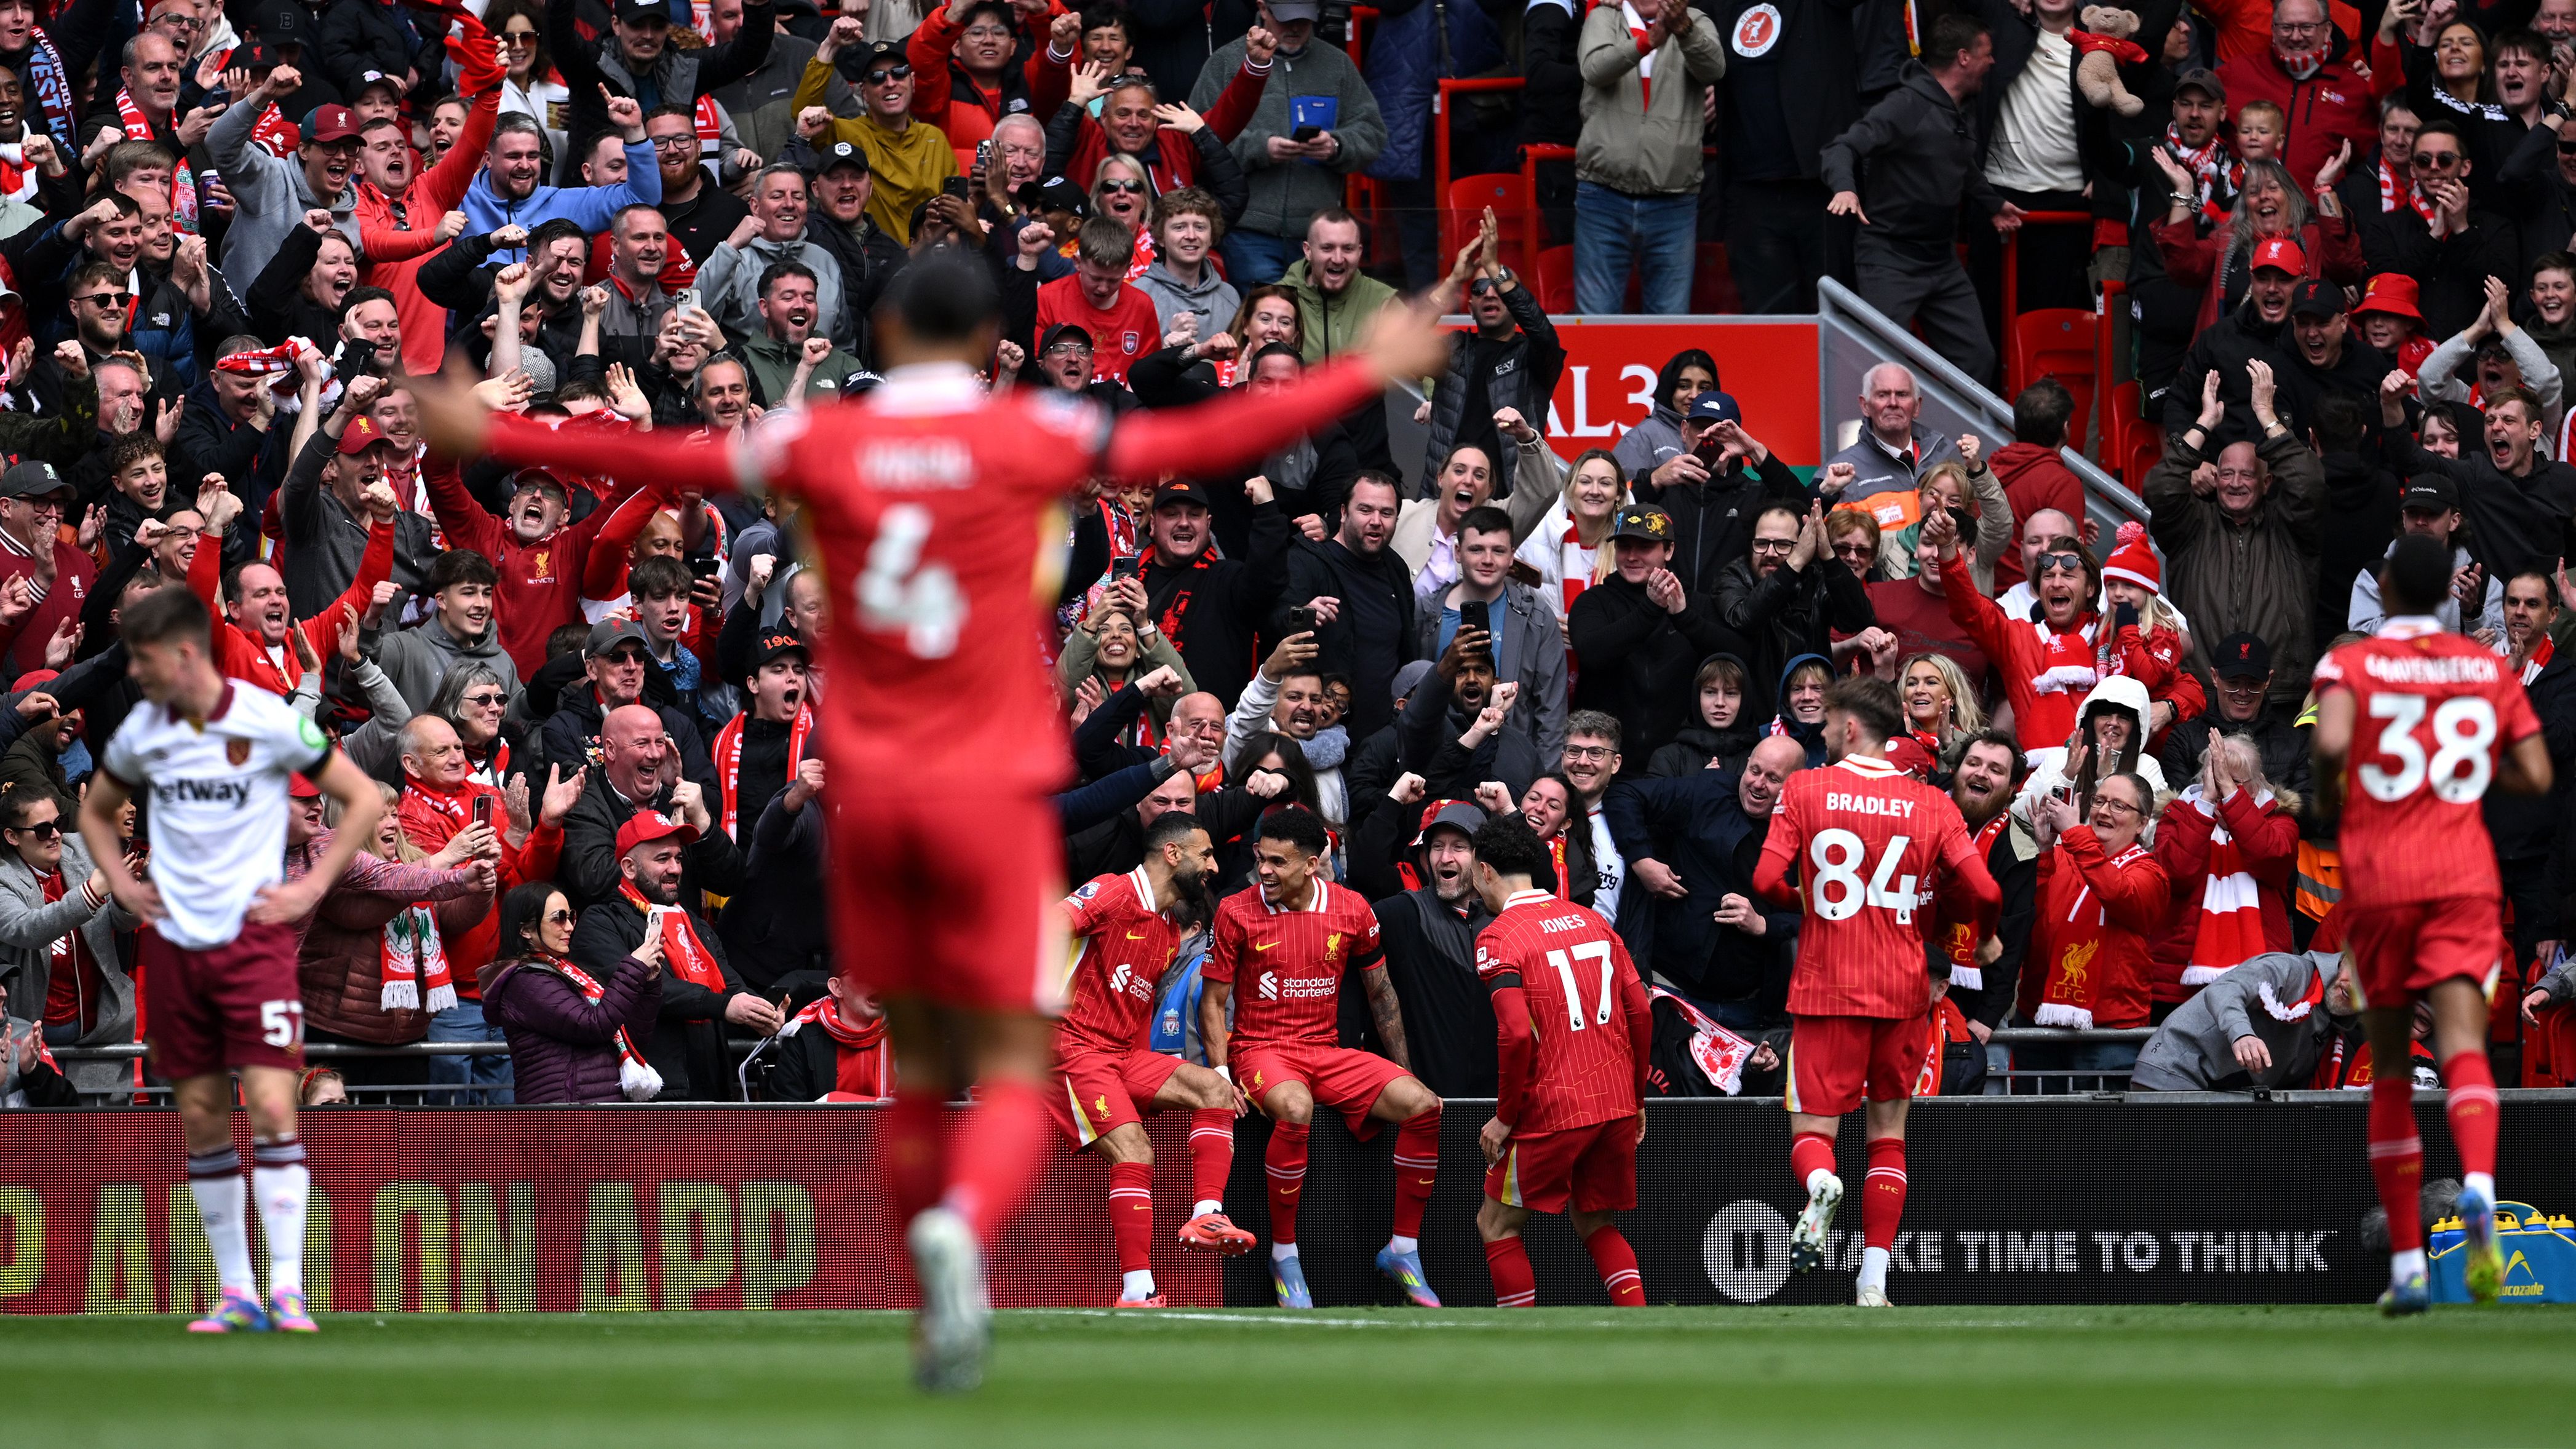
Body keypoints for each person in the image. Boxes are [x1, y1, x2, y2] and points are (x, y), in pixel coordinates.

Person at [413, 250, 1447, 1387]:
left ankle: (923, 1259)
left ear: (890, 338)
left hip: (877, 797)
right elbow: (1189, 445)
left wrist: (498, 430)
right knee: (1006, 1066)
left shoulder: (823, 440)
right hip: (990, 793)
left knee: (909, 1071)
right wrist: (1368, 367)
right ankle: (963, 1226)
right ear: (978, 345)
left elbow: (651, 452)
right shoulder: (1027, 435)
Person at [76, 586, 387, 1333]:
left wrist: (311, 881)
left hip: (254, 945)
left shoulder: (269, 718)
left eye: (146, 666)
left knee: (276, 1106)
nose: (140, 682)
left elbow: (361, 800)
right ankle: (237, 1291)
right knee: (206, 1114)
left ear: (185, 654)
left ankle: (288, 1288)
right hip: (178, 946)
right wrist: (122, 881)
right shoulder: (145, 731)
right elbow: (94, 807)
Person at [2309, 532, 2552, 1313]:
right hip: (2462, 877)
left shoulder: (2351, 662)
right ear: (2451, 590)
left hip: (2383, 881)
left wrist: (2333, 791)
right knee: (2462, 1048)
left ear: (2384, 586)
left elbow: (2336, 744)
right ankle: (2479, 1186)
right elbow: (2538, 774)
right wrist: (2465, 769)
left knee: (2388, 1068)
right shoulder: (2482, 667)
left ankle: (2410, 1264)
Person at [1754, 677, 1996, 1306]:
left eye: (1829, 722)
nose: (1824, 733)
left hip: (1828, 983)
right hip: (1905, 990)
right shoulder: (1933, 803)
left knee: (1814, 1132)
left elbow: (1763, 878)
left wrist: (1806, 901)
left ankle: (1822, 1185)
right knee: (1888, 1135)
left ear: (1852, 727)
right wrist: (1988, 940)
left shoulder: (1806, 787)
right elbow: (1988, 892)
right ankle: (1872, 1282)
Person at [1199, 806, 1444, 1310]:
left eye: (1278, 863)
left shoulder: (1353, 908)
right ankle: (1285, 1256)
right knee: (1295, 1106)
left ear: (1312, 865)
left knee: (1424, 1104)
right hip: (1261, 1048)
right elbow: (1211, 1001)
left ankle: (1402, 1248)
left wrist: (1403, 1067)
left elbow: (1382, 995)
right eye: (1260, 859)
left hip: (1327, 1051)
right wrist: (1222, 1075)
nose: (1264, 870)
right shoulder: (1235, 911)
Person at [1055, 812, 1255, 1308]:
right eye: (1206, 854)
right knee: (1136, 1152)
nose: (1213, 865)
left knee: (1215, 1088)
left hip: (1122, 1054)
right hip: (1070, 1048)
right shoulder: (1112, 892)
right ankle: (1136, 1291)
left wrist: (1147, 1079)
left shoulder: (1168, 932)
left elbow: (1136, 1014)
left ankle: (1208, 1215)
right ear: (1173, 854)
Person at [1468, 812, 1653, 1308]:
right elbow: (1640, 1012)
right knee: (1595, 1220)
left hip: (1555, 1107)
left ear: (1485, 871)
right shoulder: (1594, 921)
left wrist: (1506, 1118)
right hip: (1613, 1101)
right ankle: (1642, 1336)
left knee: (1497, 1225)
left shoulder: (1497, 937)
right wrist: (1635, 1098)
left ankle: (1520, 1353)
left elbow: (1513, 1033)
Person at [1821, 14, 2022, 383]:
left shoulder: (1957, 106)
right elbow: (1842, 147)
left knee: (1977, 357)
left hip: (1940, 261)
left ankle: (1947, 440)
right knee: (1884, 367)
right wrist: (1845, 188)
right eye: (1986, 54)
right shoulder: (1904, 105)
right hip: (1889, 258)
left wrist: (1992, 203)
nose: (1992, 62)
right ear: (1964, 57)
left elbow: (1957, 160)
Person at [2144, 362, 2326, 713]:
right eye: (2226, 473)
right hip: (2202, 690)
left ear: (2267, 482)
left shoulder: (2292, 526)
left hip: (2280, 692)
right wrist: (2204, 423)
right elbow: (2160, 488)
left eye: (2246, 474)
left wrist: (2266, 414)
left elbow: (2309, 483)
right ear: (2213, 477)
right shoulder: (2192, 524)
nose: (2236, 483)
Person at [483, 879, 664, 1104]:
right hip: (561, 1117)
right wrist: (634, 967)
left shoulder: (574, 974)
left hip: (596, 1109)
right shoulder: (525, 983)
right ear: (526, 930)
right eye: (559, 918)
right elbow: (593, 1024)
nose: (569, 926)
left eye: (570, 917)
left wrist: (648, 984)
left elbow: (632, 1037)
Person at [2129, 946, 2358, 1090]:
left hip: (2224, 1090)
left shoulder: (2341, 1030)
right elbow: (2224, 990)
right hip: (2173, 1073)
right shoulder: (2290, 969)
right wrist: (2242, 1033)